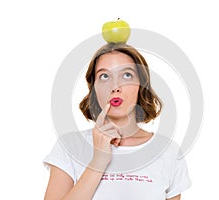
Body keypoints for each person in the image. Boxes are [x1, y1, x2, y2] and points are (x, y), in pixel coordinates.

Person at [43, 43, 191, 200]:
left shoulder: (168, 152)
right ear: (94, 89)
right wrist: (98, 161)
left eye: (127, 75)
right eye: (104, 76)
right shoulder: (70, 146)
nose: (115, 87)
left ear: (141, 85)